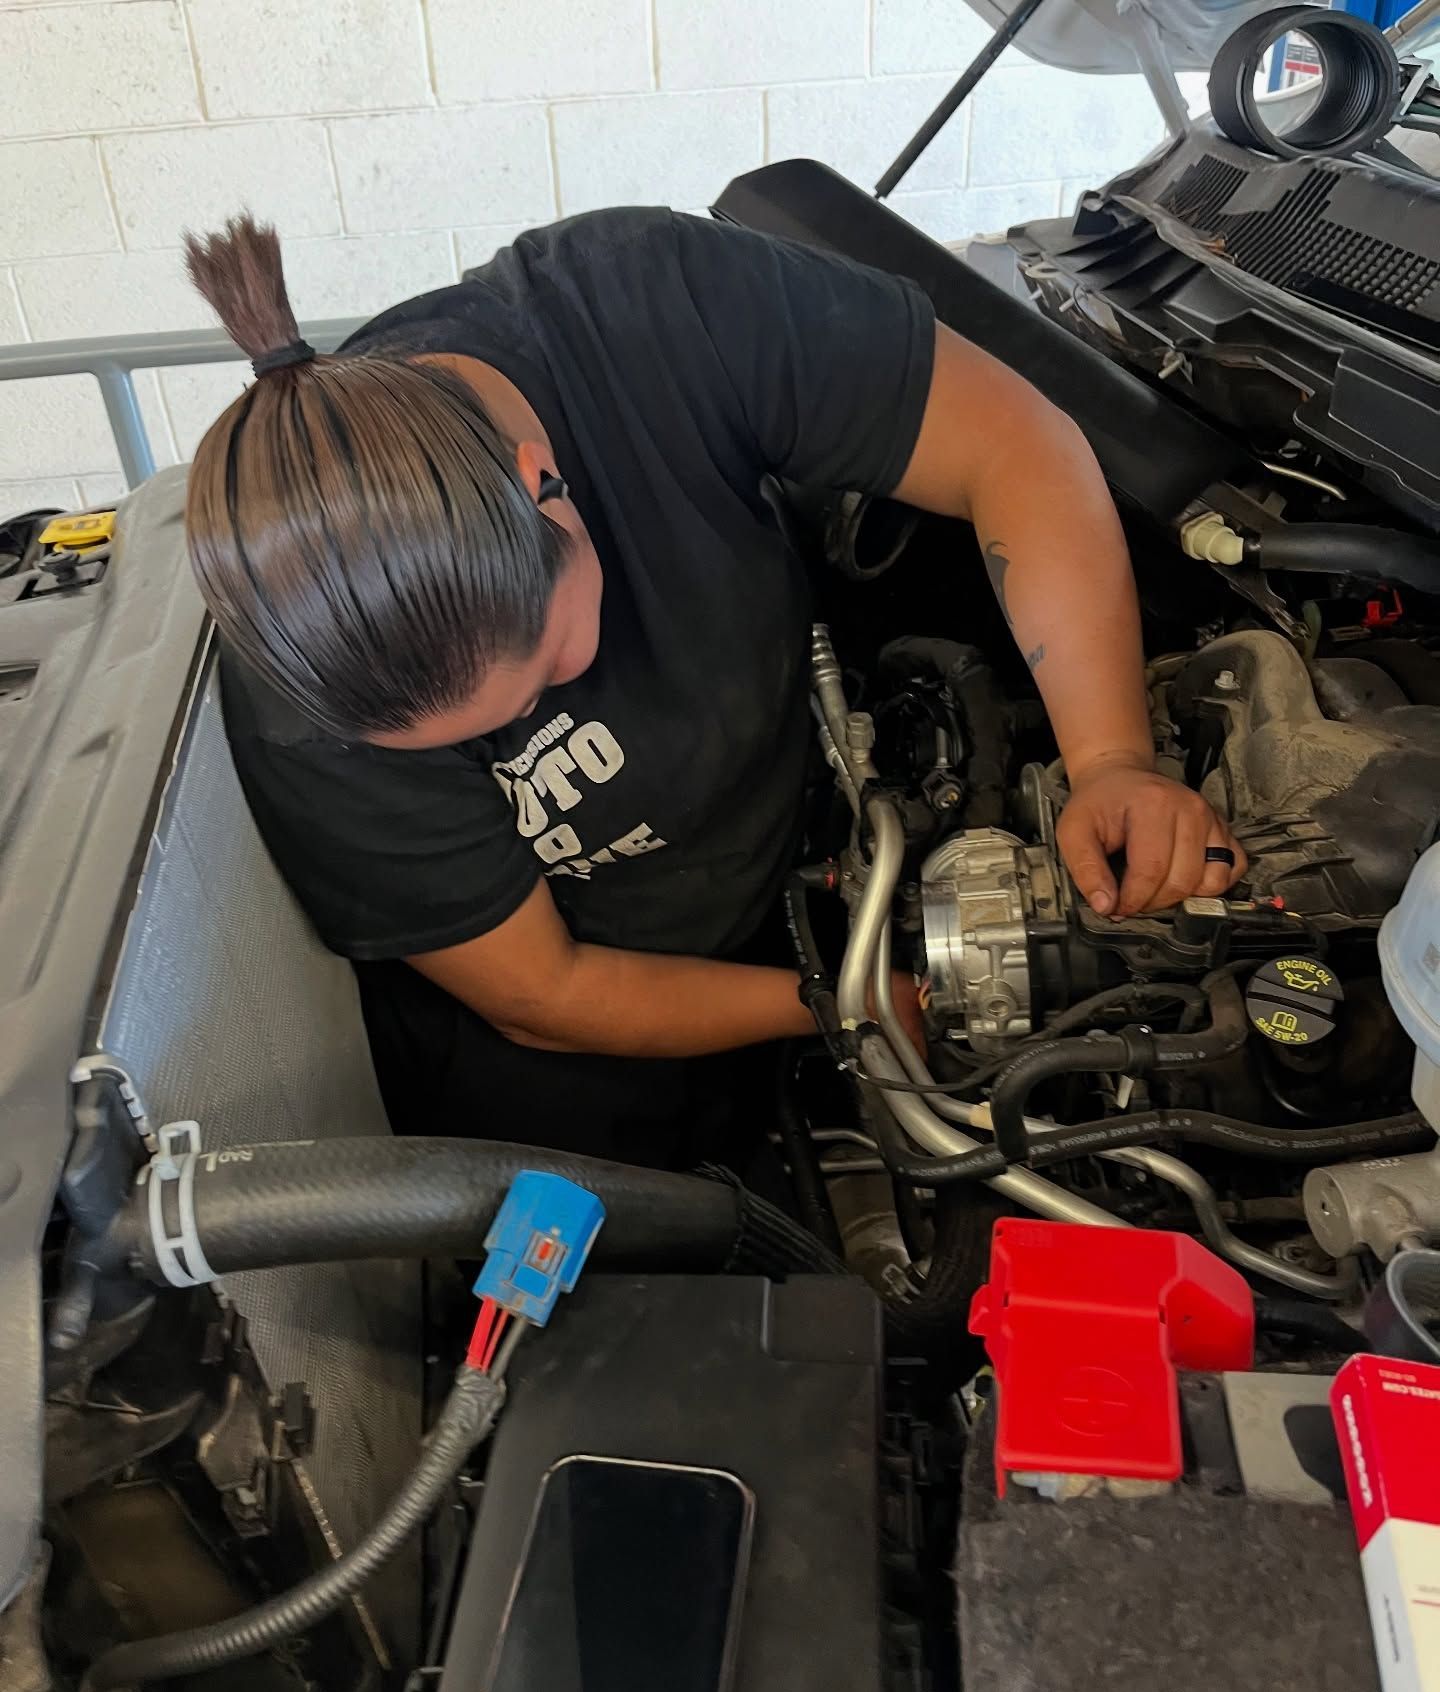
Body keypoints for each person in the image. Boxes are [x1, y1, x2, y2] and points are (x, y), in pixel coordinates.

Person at [184, 210, 1245, 1167]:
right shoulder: (301, 709)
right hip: (589, 1048)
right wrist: (844, 1007)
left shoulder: (648, 312)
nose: (534, 720)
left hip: (809, 856)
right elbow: (544, 993)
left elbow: (1015, 446)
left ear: (540, 482)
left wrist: (1111, 761)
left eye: (547, 667)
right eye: (481, 738)